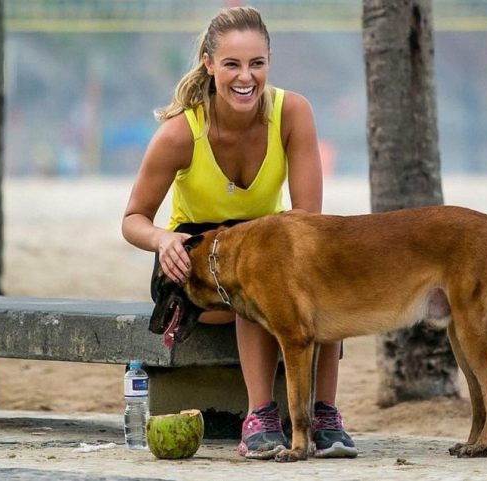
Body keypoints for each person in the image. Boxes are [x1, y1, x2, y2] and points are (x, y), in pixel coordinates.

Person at [122, 6, 357, 460]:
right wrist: (162, 239)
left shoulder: (292, 112)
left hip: (265, 249)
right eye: (232, 64)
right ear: (209, 63)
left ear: (269, 61)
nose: (245, 77)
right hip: (190, 265)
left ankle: (325, 415)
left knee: (309, 272)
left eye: (256, 64)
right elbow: (133, 219)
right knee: (253, 278)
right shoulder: (180, 132)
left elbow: (309, 219)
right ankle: (260, 417)